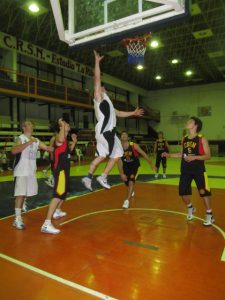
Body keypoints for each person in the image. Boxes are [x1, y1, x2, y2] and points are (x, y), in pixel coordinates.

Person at [82, 50, 144, 191]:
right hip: (106, 132)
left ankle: (88, 177)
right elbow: (97, 79)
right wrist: (97, 62)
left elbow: (119, 113)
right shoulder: (99, 98)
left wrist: (133, 113)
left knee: (102, 155)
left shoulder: (108, 103)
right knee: (118, 153)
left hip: (103, 132)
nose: (103, 87)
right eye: (101, 87)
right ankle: (103, 176)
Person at [162, 116, 214, 226]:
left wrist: (194, 157)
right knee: (183, 193)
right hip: (185, 170)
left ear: (196, 125)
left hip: (199, 170)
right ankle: (191, 207)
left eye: (190, 121)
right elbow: (181, 154)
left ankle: (209, 214)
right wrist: (169, 155)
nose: (187, 122)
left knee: (203, 192)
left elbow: (208, 156)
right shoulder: (184, 138)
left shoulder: (202, 138)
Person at [11, 120, 53, 229]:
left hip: (31, 171)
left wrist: (61, 148)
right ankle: (17, 218)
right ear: (24, 128)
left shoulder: (36, 140)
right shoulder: (20, 138)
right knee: (20, 194)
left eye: (32, 124)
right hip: (21, 171)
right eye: (29, 124)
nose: (32, 126)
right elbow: (14, 150)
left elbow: (48, 148)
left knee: (31, 192)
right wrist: (28, 143)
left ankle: (23, 201)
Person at [41, 118, 77, 234]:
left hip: (65, 171)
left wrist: (74, 143)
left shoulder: (65, 139)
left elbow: (68, 151)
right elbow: (60, 139)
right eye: (67, 124)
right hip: (60, 171)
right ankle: (46, 223)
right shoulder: (58, 137)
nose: (68, 125)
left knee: (63, 193)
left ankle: (56, 212)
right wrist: (62, 124)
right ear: (61, 127)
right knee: (57, 195)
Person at [118, 131, 156, 209]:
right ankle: (131, 190)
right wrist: (121, 173)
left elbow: (143, 154)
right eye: (122, 135)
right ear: (120, 138)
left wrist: (151, 163)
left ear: (128, 138)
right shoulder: (118, 148)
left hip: (135, 166)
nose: (124, 136)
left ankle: (127, 200)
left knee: (131, 181)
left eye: (125, 135)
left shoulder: (133, 145)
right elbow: (119, 161)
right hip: (125, 167)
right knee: (128, 184)